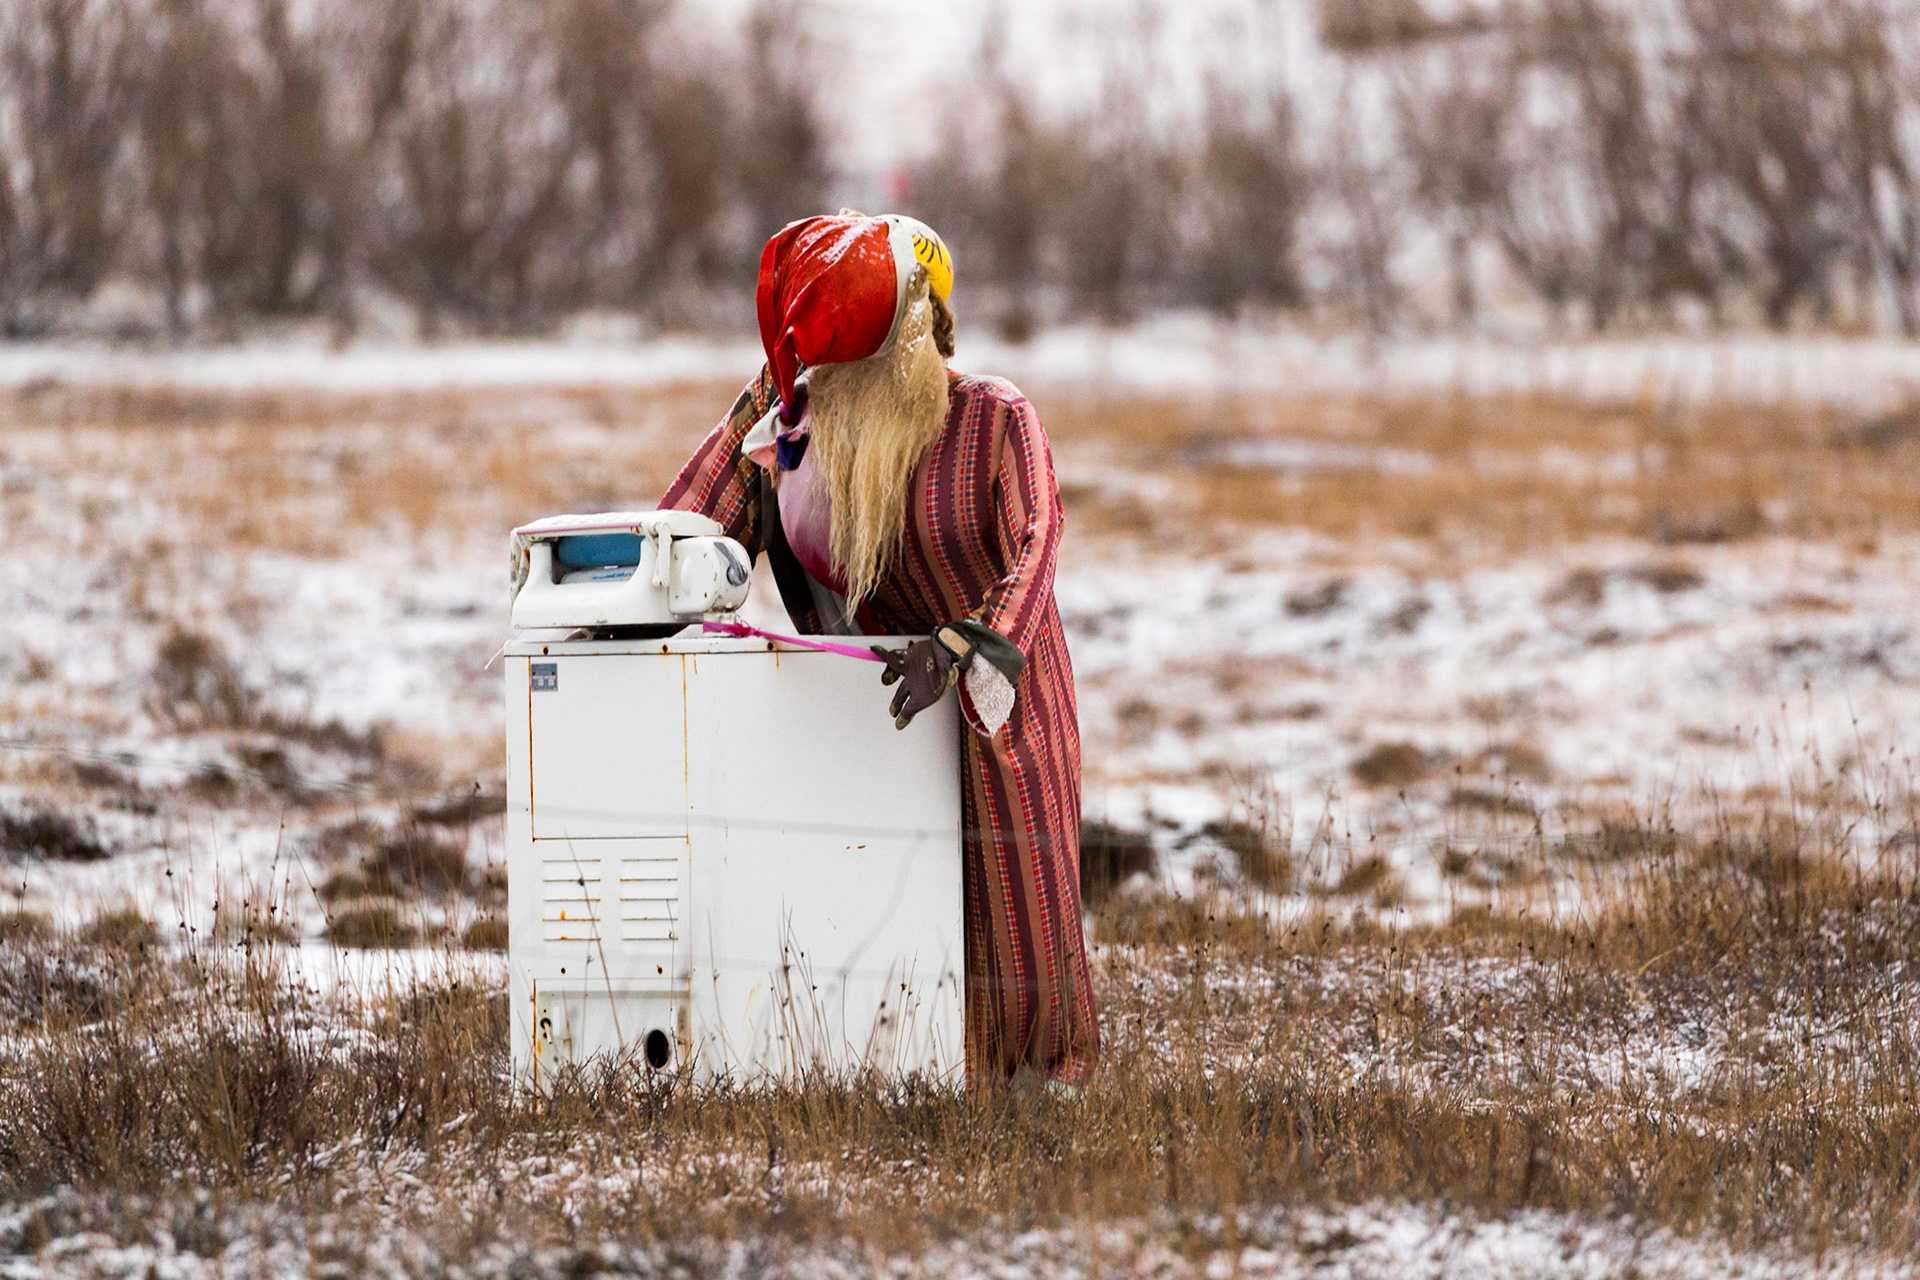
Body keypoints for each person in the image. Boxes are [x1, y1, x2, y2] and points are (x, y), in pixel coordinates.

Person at [659, 213, 1098, 1085]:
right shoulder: (799, 430)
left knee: (1015, 900)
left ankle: (1044, 1093)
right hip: (864, 709)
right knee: (873, 897)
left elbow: (1038, 538)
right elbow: (690, 533)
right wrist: (764, 395)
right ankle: (896, 1075)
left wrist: (968, 645)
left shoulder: (995, 419)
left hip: (994, 699)